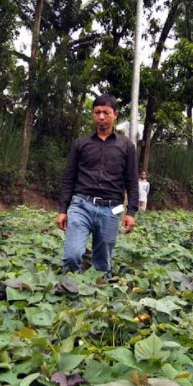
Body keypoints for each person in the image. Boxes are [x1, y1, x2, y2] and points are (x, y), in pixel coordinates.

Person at [56, 94, 139, 273]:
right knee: (72, 254)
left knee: (102, 263)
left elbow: (132, 180)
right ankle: (72, 287)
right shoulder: (80, 143)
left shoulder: (126, 146)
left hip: (111, 209)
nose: (101, 117)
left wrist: (131, 212)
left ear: (115, 114)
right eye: (97, 112)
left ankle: (96, 294)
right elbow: (68, 177)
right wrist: (63, 209)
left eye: (106, 112)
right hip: (81, 205)